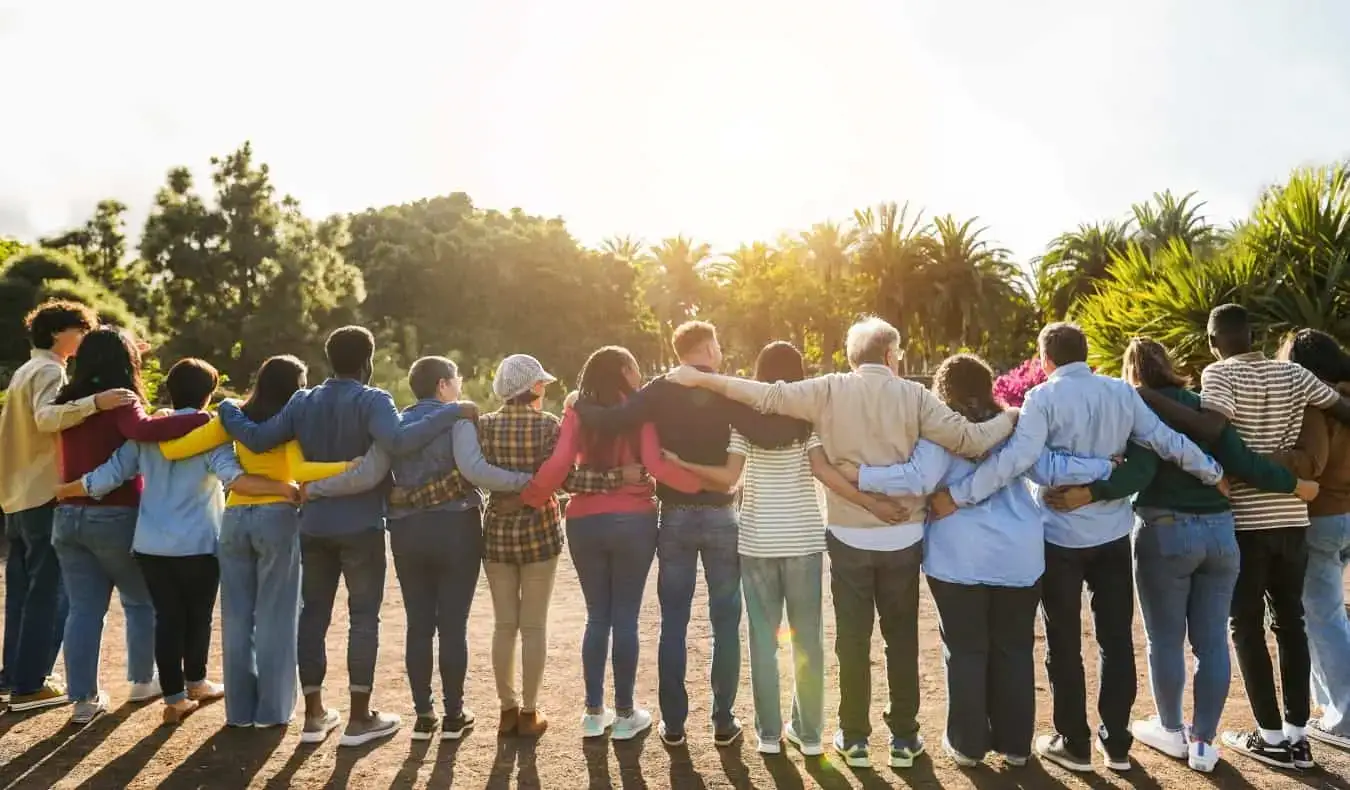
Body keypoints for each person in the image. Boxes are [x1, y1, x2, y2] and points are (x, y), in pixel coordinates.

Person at [666, 317, 1020, 769]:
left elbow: (767, 395)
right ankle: (904, 740)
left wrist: (701, 378)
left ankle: (851, 740)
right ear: (891, 355)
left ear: (854, 357)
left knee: (850, 640)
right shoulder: (914, 395)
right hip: (902, 536)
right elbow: (970, 439)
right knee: (901, 639)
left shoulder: (829, 389)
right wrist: (1010, 416)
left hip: (846, 536)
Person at [924, 323, 1223, 774]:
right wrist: (1212, 470)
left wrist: (961, 496)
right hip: (1112, 535)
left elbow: (1017, 462)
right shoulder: (1122, 393)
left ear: (1045, 360)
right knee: (1116, 640)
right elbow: (1166, 441)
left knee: (1063, 642)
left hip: (1059, 537)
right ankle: (1117, 745)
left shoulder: (1042, 399)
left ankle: (1074, 743)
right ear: (1085, 354)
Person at [1045, 337, 1320, 773]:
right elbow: (1243, 460)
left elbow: (1140, 469)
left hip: (1166, 534)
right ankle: (1205, 744)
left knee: (1165, 640)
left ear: (1131, 373)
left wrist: (1091, 491)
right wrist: (1293, 486)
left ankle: (1172, 730)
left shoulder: (1141, 409)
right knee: (1211, 641)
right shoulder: (1204, 407)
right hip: (1220, 533)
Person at [845, 353, 1116, 769]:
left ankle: (968, 746)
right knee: (1014, 649)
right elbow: (1050, 468)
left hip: (958, 558)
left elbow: (916, 477)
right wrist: (1105, 465)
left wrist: (860, 474)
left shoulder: (941, 432)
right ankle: (1016, 746)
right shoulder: (1015, 427)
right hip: (1019, 555)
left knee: (966, 651)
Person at [300, 355, 586, 742]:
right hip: (456, 529)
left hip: (407, 532)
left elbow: (371, 473)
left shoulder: (395, 423)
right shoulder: (459, 419)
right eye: (456, 379)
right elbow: (473, 470)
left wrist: (315, 488)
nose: (459, 386)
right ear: (442, 385)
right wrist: (529, 484)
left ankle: (423, 715)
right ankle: (454, 715)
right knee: (453, 625)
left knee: (419, 624)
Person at [217, 326, 471, 746]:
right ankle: (359, 718)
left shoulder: (303, 399)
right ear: (368, 361)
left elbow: (259, 438)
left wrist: (227, 409)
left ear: (329, 359)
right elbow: (400, 441)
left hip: (313, 524)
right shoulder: (374, 400)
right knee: (363, 618)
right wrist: (454, 410)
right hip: (361, 526)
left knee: (312, 616)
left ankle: (314, 716)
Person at [570, 321, 812, 750]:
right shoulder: (725, 390)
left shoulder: (659, 390)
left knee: (674, 624)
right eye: (717, 345)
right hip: (722, 515)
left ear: (679, 350)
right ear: (709, 348)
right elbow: (764, 430)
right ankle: (723, 721)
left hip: (676, 518)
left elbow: (613, 420)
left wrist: (577, 405)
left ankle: (675, 725)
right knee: (725, 621)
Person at [665, 341, 908, 757]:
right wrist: (872, 503)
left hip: (758, 543)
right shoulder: (807, 421)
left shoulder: (743, 424)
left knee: (763, 641)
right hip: (804, 542)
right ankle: (810, 736)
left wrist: (681, 464)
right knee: (808, 641)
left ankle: (767, 734)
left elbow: (727, 479)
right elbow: (825, 472)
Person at [1140, 305, 1350, 770]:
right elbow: (1340, 408)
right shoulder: (1294, 375)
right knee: (1291, 622)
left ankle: (1271, 736)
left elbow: (1213, 429)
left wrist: (1151, 399)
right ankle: (1298, 738)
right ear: (1253, 335)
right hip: (1294, 518)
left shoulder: (1218, 373)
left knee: (1246, 627)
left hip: (1247, 522)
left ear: (1214, 340)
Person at [56, 359, 299, 724]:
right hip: (198, 543)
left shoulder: (146, 436)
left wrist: (62, 491)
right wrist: (287, 489)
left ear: (169, 389)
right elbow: (234, 479)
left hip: (150, 544)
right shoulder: (210, 436)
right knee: (197, 617)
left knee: (166, 618)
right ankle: (196, 682)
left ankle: (173, 698)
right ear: (209, 394)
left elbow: (107, 476)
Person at [156, 354, 356, 729]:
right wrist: (349, 466)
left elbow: (173, 449)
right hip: (277, 517)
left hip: (233, 520)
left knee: (236, 618)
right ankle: (272, 712)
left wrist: (163, 422)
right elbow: (299, 471)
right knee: (276, 618)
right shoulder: (293, 421)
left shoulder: (234, 418)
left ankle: (240, 713)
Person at [520, 346, 706, 742]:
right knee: (625, 618)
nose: (639, 374)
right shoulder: (640, 410)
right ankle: (625, 714)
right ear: (623, 370)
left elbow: (559, 465)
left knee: (596, 617)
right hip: (634, 521)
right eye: (636, 367)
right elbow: (655, 466)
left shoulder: (577, 410)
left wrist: (531, 497)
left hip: (584, 521)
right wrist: (704, 486)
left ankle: (592, 713)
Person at [52, 328, 210, 723]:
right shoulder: (122, 399)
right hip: (113, 512)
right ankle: (142, 680)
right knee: (141, 601)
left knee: (83, 610)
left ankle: (83, 701)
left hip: (69, 513)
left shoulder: (70, 400)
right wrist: (206, 418)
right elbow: (144, 433)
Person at [0, 301, 131, 711]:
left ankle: (16, 676)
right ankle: (31, 685)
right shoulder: (48, 371)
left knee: (22, 591)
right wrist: (97, 403)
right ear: (60, 332)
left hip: (17, 495)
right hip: (42, 493)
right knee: (49, 592)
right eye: (83, 330)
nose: (86, 339)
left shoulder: (25, 370)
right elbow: (46, 418)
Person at [1278, 329, 1350, 751]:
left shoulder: (1317, 404)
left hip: (1322, 518)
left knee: (1323, 619)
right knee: (1329, 616)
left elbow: (1313, 463)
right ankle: (1331, 707)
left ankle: (1343, 715)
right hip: (1346, 518)